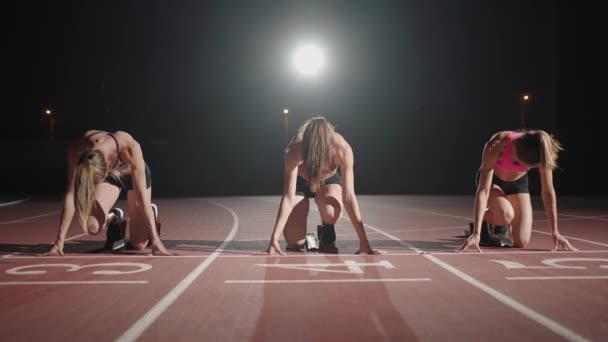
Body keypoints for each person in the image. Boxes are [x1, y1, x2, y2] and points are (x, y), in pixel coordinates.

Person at [264, 116, 384, 255]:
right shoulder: (295, 149)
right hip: (301, 182)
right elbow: (288, 198)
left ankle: (327, 227)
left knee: (331, 213)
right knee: (295, 242)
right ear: (306, 143)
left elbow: (349, 196)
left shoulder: (341, 147)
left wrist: (364, 242)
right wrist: (274, 239)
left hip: (327, 182)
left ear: (330, 144)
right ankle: (310, 238)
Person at [43, 130, 171, 256]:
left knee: (139, 245)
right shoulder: (77, 149)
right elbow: (71, 194)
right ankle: (115, 219)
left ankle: (151, 214)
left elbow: (141, 197)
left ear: (108, 164)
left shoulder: (129, 147)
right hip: (112, 176)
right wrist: (59, 242)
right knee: (91, 226)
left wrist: (155, 239)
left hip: (134, 175)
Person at [458, 129, 578, 253]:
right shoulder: (496, 144)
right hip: (494, 181)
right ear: (513, 150)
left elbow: (548, 192)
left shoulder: (542, 152)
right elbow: (483, 190)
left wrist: (555, 231)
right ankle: (481, 222)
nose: (523, 168)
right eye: (518, 163)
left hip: (517, 185)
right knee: (506, 215)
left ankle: (495, 221)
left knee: (522, 241)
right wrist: (476, 232)